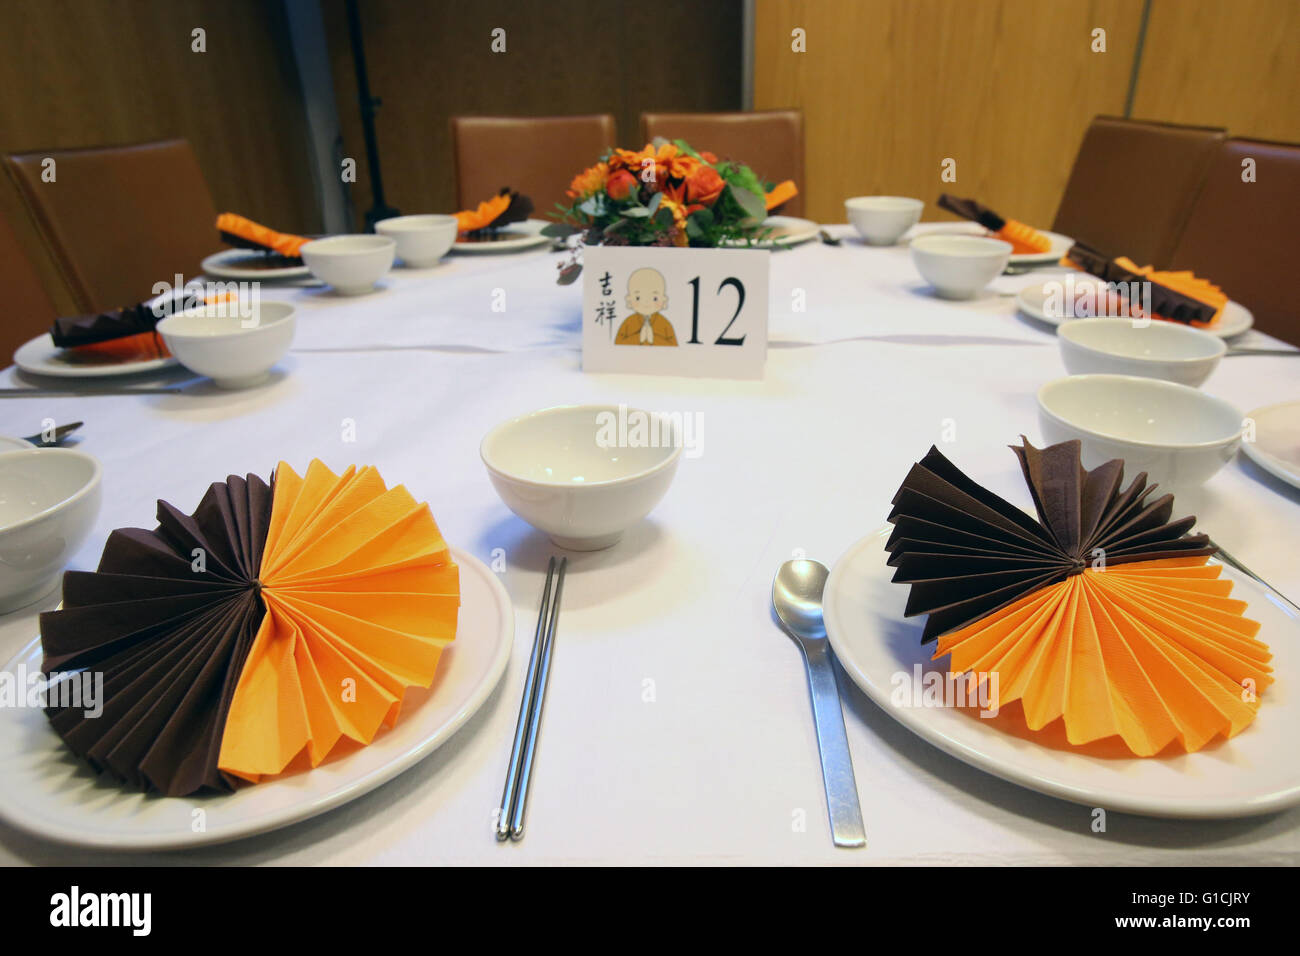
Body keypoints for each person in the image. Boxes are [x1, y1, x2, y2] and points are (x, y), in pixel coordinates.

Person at [614, 268, 678, 346]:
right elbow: (618, 343)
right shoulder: (628, 322)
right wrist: (638, 338)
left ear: (663, 299)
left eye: (655, 298)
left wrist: (654, 339)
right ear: (629, 299)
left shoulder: (665, 324)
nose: (646, 303)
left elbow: (674, 345)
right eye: (638, 298)